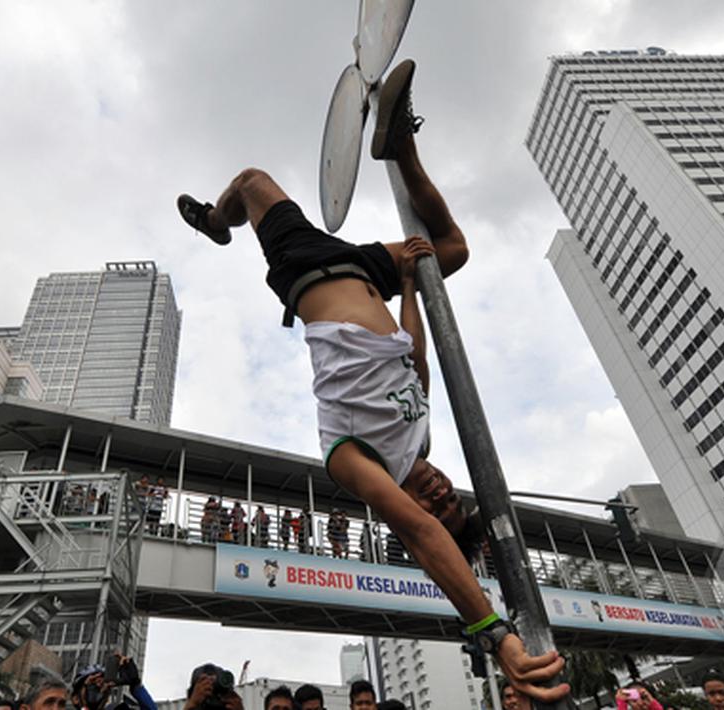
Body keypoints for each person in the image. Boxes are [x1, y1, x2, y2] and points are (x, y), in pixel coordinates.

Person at [176, 58, 567, 703]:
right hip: (370, 275)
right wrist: (410, 284)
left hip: (312, 272)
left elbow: (422, 535)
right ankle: (400, 147)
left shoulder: (352, 459)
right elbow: (414, 360)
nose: (441, 493)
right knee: (451, 249)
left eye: (437, 503)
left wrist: (495, 634)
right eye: (452, 497)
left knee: (250, 181)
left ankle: (221, 225)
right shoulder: (422, 442)